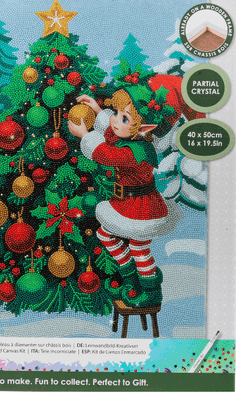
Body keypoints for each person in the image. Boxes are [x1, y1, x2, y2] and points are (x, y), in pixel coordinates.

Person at [68, 90, 183, 308]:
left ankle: (151, 291)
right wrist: (98, 110)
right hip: (126, 203)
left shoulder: (137, 151)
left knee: (139, 247)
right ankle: (131, 278)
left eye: (123, 118)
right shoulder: (129, 138)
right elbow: (111, 134)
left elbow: (107, 155)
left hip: (142, 207)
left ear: (142, 129)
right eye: (116, 113)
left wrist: (85, 136)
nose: (114, 120)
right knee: (105, 234)